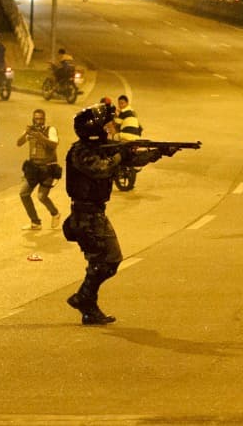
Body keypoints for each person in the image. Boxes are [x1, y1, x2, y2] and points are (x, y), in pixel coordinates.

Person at [61, 102, 165, 326]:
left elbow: (129, 160)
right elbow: (102, 169)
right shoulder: (81, 152)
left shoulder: (102, 148)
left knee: (106, 261)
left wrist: (157, 153)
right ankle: (84, 299)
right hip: (85, 216)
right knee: (105, 261)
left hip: (95, 214)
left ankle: (86, 302)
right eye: (105, 126)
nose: (109, 129)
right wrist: (122, 153)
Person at [17, 109, 61, 230]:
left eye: (41, 119)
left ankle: (55, 213)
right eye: (36, 119)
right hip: (33, 168)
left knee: (42, 196)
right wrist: (25, 133)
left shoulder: (50, 130)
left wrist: (41, 137)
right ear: (33, 119)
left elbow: (54, 145)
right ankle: (35, 222)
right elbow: (18, 143)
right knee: (24, 194)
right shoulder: (30, 131)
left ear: (44, 119)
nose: (38, 121)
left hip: (48, 168)